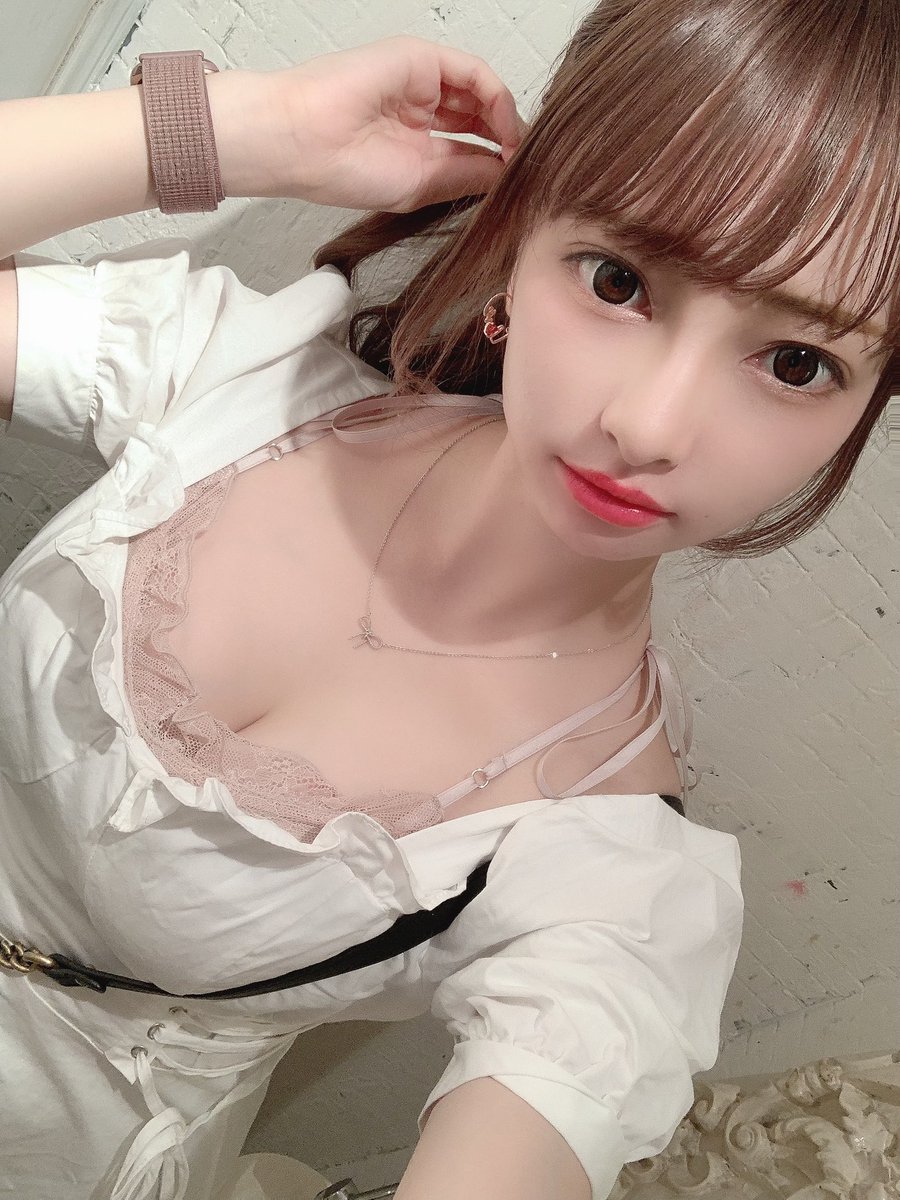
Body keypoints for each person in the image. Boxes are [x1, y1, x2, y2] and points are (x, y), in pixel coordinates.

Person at [0, 0, 893, 1193]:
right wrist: (250, 127)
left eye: (798, 363)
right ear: (518, 238)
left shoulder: (604, 876)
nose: (649, 425)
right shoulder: (241, 380)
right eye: (619, 279)